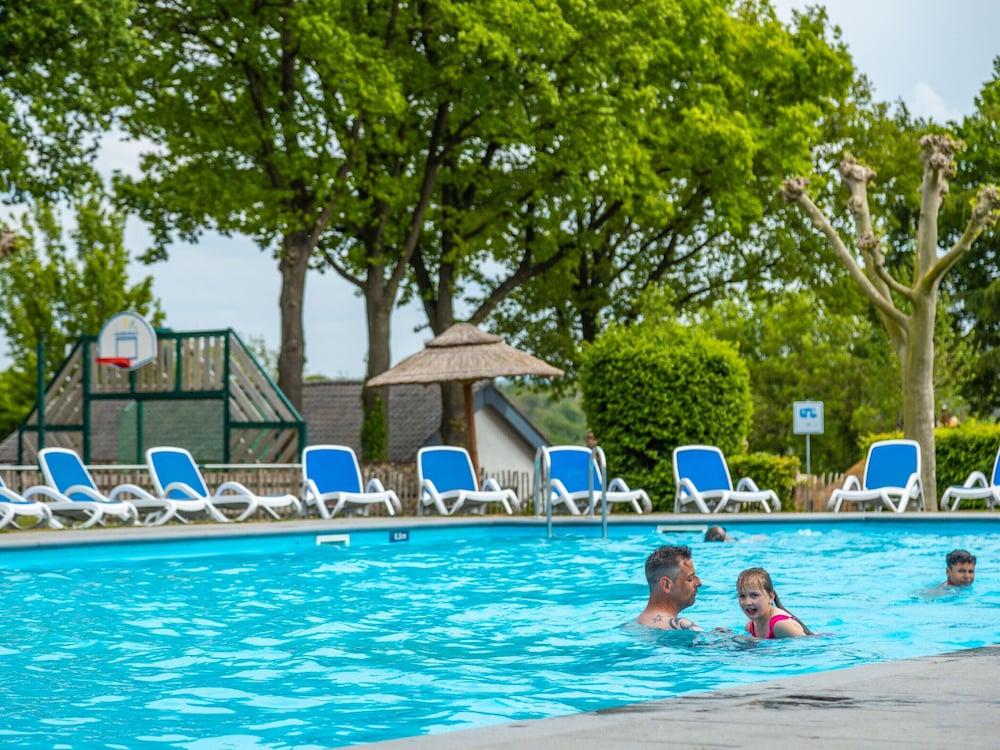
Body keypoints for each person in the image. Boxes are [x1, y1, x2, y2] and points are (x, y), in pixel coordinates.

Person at [637, 545, 703, 630]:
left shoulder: (631, 625)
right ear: (667, 585)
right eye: (690, 578)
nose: (699, 583)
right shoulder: (681, 625)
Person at [737, 567, 810, 639]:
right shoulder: (749, 627)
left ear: (771, 596)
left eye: (754, 595)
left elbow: (807, 644)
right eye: (742, 596)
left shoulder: (782, 625)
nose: (747, 602)